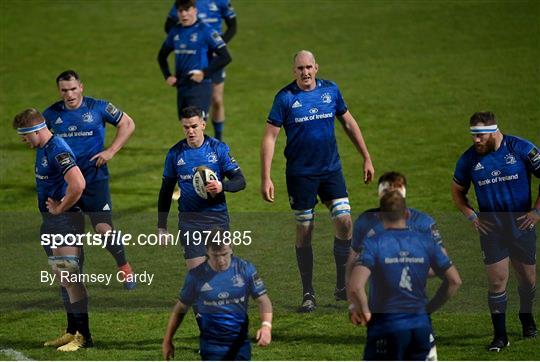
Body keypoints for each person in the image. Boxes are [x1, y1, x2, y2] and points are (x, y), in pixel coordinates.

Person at [260, 50, 375, 312]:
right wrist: (266, 176)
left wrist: (366, 157)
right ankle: (308, 292)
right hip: (300, 175)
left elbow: (348, 123)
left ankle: (341, 285)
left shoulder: (331, 91)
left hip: (330, 170)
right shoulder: (285, 98)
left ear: (316, 67)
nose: (305, 72)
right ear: (294, 71)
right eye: (300, 68)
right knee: (305, 230)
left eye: (309, 67)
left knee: (345, 222)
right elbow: (270, 138)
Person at [451, 111, 539, 351]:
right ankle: (500, 336)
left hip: (522, 227)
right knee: (497, 282)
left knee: (528, 281)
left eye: (480, 135)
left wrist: (536, 212)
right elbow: (457, 191)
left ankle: (526, 317)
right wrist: (471, 216)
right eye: (473, 136)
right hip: (492, 231)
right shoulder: (469, 160)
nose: (475, 140)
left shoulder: (521, 149)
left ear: (493, 131)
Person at [43, 70, 137, 289]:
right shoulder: (51, 114)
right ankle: (76, 285)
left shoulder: (99, 107)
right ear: (60, 91)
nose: (69, 94)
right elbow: (40, 141)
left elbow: (128, 123)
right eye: (64, 90)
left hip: (95, 179)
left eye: (73, 89)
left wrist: (111, 150)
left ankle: (124, 268)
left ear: (81, 87)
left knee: (104, 230)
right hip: (66, 184)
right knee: (70, 236)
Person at [13, 108, 92, 351]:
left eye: (24, 135)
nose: (23, 140)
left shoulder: (57, 149)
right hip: (52, 224)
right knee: (63, 278)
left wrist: (60, 208)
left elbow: (78, 184)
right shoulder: (44, 148)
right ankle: (71, 331)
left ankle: (84, 336)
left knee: (71, 279)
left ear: (36, 131)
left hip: (65, 222)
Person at [349, 191, 461, 360]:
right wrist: (428, 310)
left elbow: (356, 286)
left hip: (386, 327)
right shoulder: (426, 242)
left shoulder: (374, 243)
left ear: (380, 217)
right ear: (407, 214)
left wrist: (365, 311)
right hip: (420, 327)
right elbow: (454, 281)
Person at [157, 106, 246, 270]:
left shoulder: (218, 149)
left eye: (194, 126)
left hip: (217, 220)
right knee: (198, 276)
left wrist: (222, 186)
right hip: (189, 222)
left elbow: (240, 181)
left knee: (222, 273)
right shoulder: (175, 154)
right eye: (186, 127)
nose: (190, 131)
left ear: (203, 125)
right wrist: (162, 226)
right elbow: (166, 190)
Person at [162, 239, 272, 360]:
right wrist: (167, 340)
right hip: (211, 349)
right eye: (215, 256)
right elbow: (181, 307)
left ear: (231, 248)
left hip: (240, 347)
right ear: (207, 251)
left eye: (224, 254)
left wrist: (266, 326)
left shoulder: (245, 269)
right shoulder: (196, 276)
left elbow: (263, 300)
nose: (221, 261)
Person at [164, 0, 237, 140]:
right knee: (193, 108)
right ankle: (198, 141)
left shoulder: (220, 2)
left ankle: (218, 138)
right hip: (196, 56)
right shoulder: (185, 3)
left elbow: (233, 26)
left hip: (214, 56)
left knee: (216, 99)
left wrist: (218, 45)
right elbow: (169, 26)